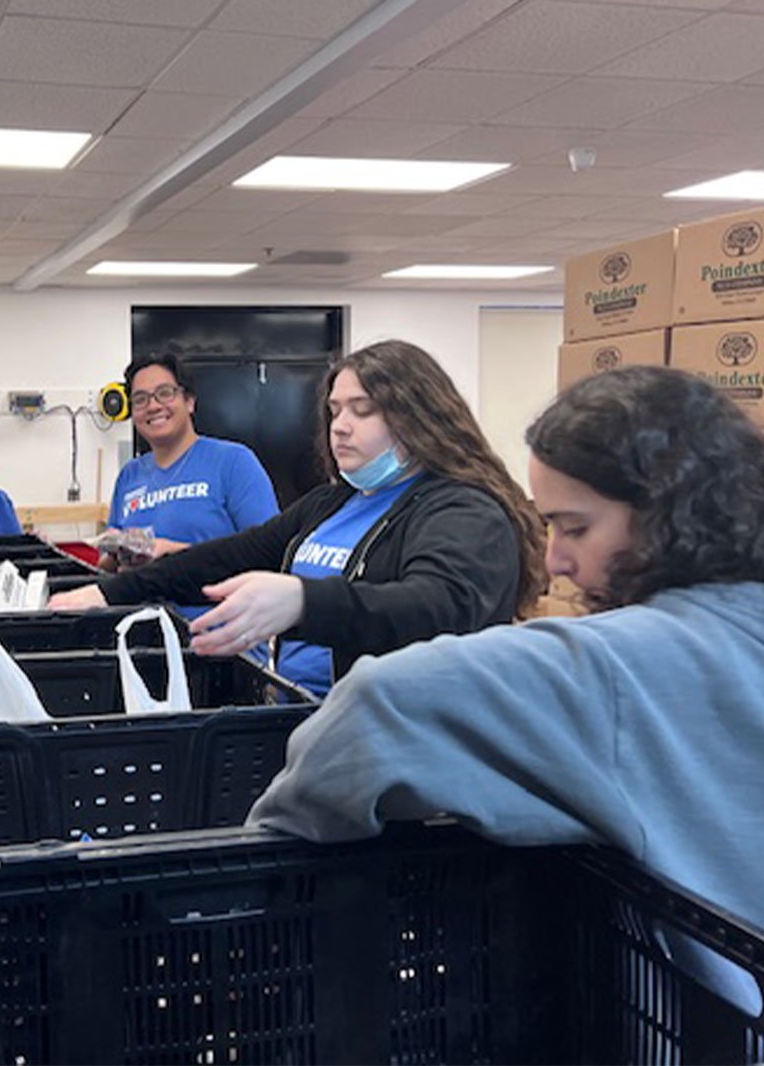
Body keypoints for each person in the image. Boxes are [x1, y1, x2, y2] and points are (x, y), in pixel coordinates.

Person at [247, 365, 764, 929]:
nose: (555, 561)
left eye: (575, 528)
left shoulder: (622, 665)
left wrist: (262, 854)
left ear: (665, 513)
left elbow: (381, 705)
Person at [50, 339, 547, 698]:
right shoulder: (331, 504)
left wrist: (301, 602)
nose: (341, 427)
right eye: (334, 411)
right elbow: (222, 559)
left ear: (420, 415)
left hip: (401, 737)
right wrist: (103, 593)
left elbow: (437, 606)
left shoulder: (463, 509)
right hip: (303, 713)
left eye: (363, 410)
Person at [101, 352, 278, 575]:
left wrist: (171, 552)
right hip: (141, 608)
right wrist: (112, 551)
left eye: (165, 393)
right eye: (140, 399)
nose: (153, 406)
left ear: (189, 402)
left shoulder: (234, 462)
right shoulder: (129, 475)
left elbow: (269, 553)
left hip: (213, 608)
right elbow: (107, 567)